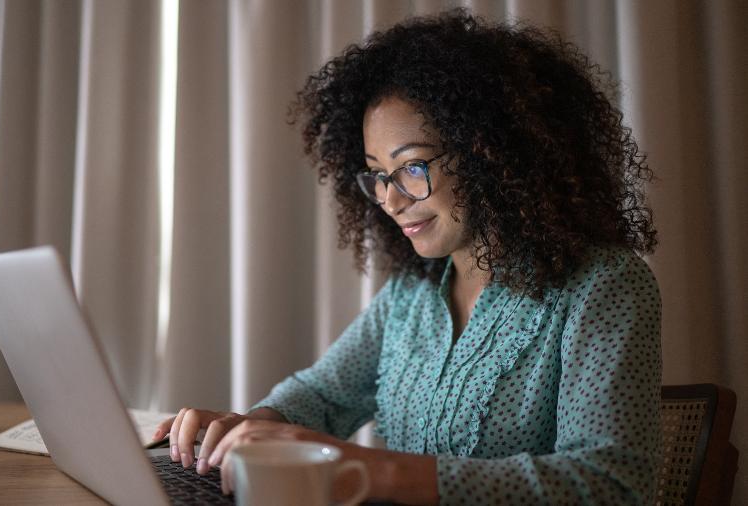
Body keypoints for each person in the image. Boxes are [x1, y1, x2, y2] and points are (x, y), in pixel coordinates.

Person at [154, 9, 661, 505]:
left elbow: (609, 483)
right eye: (377, 174)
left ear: (495, 153)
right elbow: (323, 396)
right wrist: (253, 426)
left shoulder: (605, 286)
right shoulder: (411, 296)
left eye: (412, 167)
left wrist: (372, 469)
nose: (391, 200)